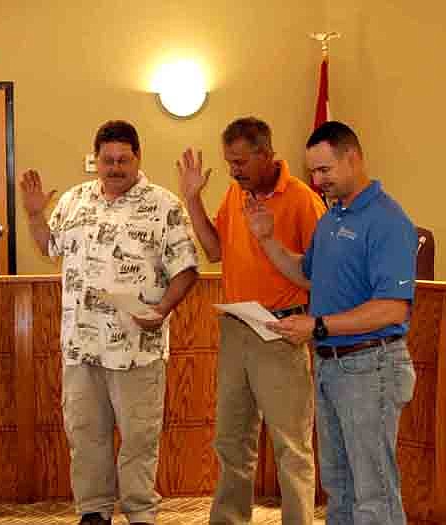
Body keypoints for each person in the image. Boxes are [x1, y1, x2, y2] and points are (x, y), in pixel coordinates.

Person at [20, 120, 198, 525]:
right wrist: (34, 216)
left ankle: (140, 513)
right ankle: (93, 512)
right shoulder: (73, 201)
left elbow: (186, 269)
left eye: (123, 159)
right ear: (95, 160)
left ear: (138, 158)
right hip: (81, 348)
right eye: (107, 160)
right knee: (84, 436)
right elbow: (50, 247)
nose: (115, 167)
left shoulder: (164, 204)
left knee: (138, 439)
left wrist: (162, 310)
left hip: (138, 347)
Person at [246, 120, 417, 525]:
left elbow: (393, 308)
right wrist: (267, 238)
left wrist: (317, 326)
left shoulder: (387, 221)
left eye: (325, 171)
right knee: (339, 489)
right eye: (312, 172)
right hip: (330, 366)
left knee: (373, 493)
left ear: (353, 158)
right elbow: (307, 276)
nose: (318, 180)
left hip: (371, 367)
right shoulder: (332, 217)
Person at [177, 117, 326, 525]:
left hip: (281, 332)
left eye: (240, 162)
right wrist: (192, 200)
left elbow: (320, 274)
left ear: (265, 154)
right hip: (237, 329)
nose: (233, 170)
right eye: (229, 163)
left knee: (291, 447)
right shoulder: (233, 193)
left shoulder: (302, 200)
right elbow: (213, 252)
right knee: (231, 441)